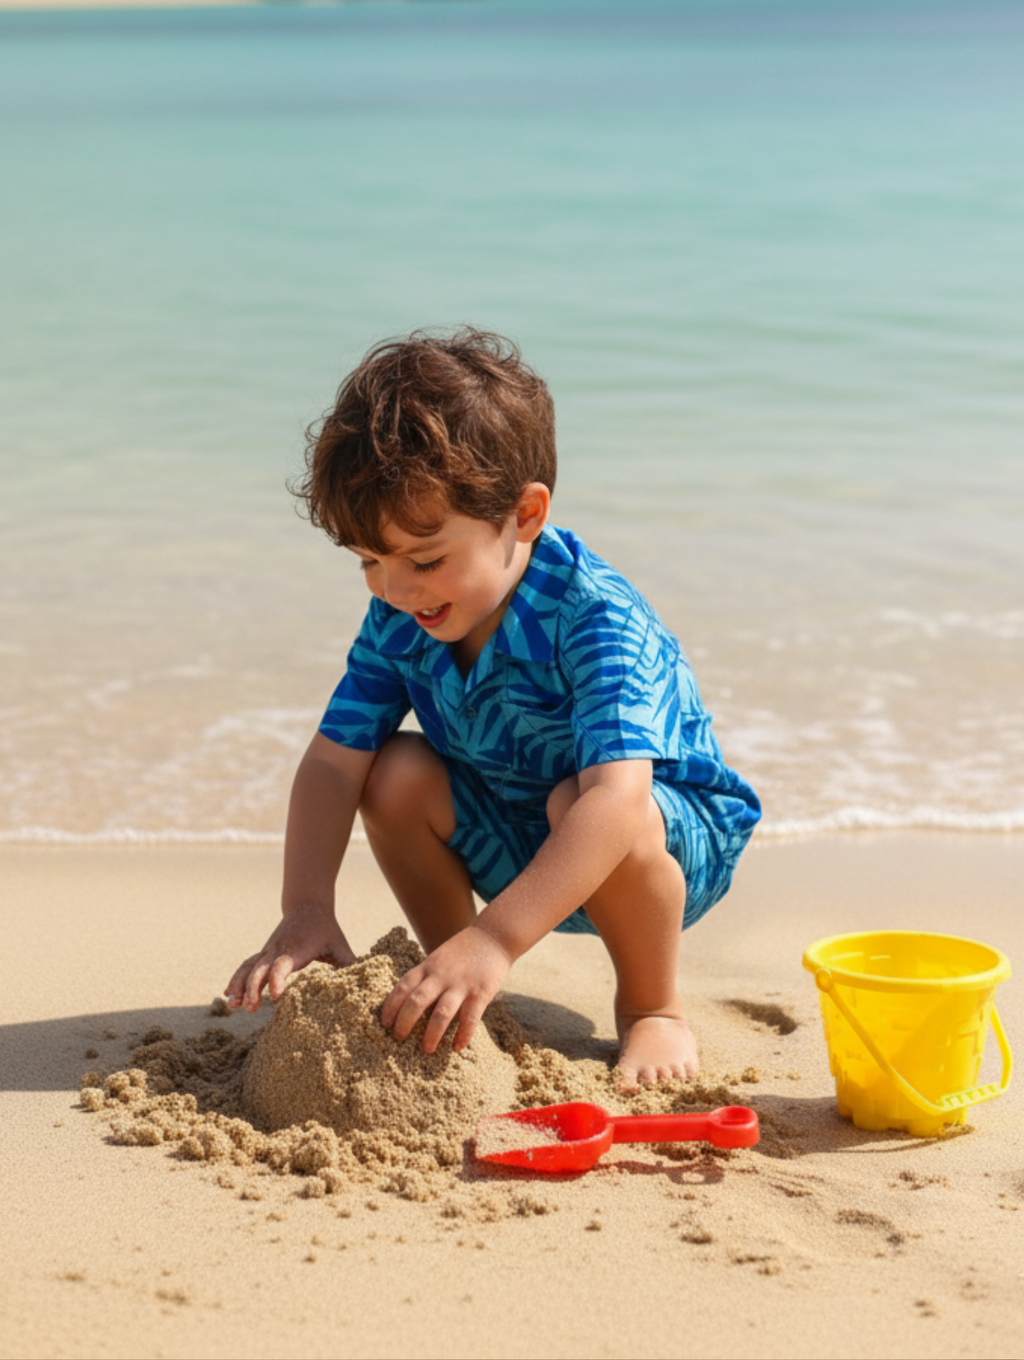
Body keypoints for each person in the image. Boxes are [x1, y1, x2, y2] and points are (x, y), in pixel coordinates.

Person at [225, 328, 760, 1087]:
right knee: (394, 771)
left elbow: (616, 801)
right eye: (369, 562)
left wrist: (501, 938)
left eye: (425, 558)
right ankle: (458, 977)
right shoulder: (403, 617)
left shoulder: (594, 616)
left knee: (586, 795)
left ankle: (652, 1008)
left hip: (662, 844)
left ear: (526, 514)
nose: (396, 590)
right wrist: (307, 904)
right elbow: (332, 763)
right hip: (517, 831)